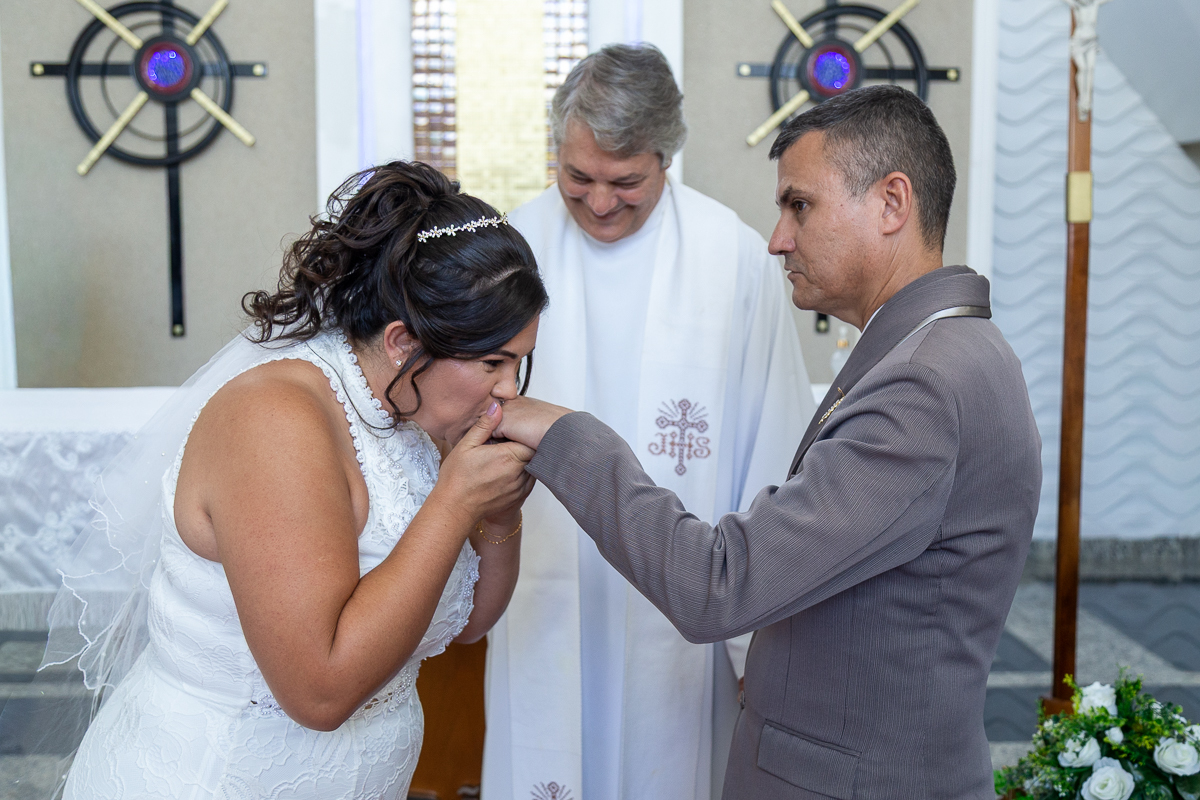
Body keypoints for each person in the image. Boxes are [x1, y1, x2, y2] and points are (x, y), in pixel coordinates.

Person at [495, 85, 1042, 799]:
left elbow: (722, 586)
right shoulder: (931, 353)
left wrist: (568, 435)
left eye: (800, 205)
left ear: (891, 203)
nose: (779, 237)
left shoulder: (924, 386)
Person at [34, 162, 545, 799]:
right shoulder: (276, 420)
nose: (508, 390)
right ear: (401, 342)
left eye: (519, 362)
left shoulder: (412, 408)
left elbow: (467, 623)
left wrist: (500, 519)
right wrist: (455, 499)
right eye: (494, 362)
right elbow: (319, 691)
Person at [481, 44, 814, 800]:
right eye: (578, 178)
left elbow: (773, 448)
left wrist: (751, 645)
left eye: (626, 182)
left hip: (683, 609)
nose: (600, 203)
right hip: (540, 589)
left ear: (667, 157)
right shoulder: (506, 252)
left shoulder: (734, 259)